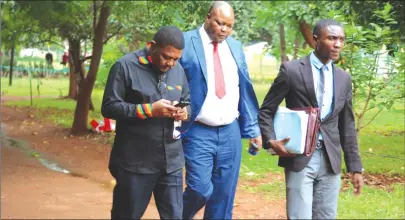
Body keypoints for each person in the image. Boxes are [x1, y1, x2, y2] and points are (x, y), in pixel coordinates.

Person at [258, 19, 364, 219]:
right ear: (316, 40)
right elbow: (266, 110)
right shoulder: (291, 71)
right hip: (299, 157)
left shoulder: (343, 78)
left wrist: (355, 167)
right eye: (332, 38)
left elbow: (347, 125)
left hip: (330, 160)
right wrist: (271, 140)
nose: (338, 44)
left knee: (326, 216)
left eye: (341, 39)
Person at [178, 1, 262, 219]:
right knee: (199, 189)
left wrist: (253, 129)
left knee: (224, 196)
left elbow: (243, 86)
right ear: (207, 18)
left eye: (229, 25)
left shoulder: (235, 46)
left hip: (229, 131)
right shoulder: (185, 42)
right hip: (198, 130)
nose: (224, 29)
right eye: (219, 23)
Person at [101, 26, 190, 219]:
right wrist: (148, 110)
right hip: (135, 163)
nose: (171, 63)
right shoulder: (124, 66)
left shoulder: (178, 70)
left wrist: (184, 112)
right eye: (167, 57)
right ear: (152, 46)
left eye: (176, 59)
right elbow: (109, 106)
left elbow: (187, 98)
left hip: (171, 162)